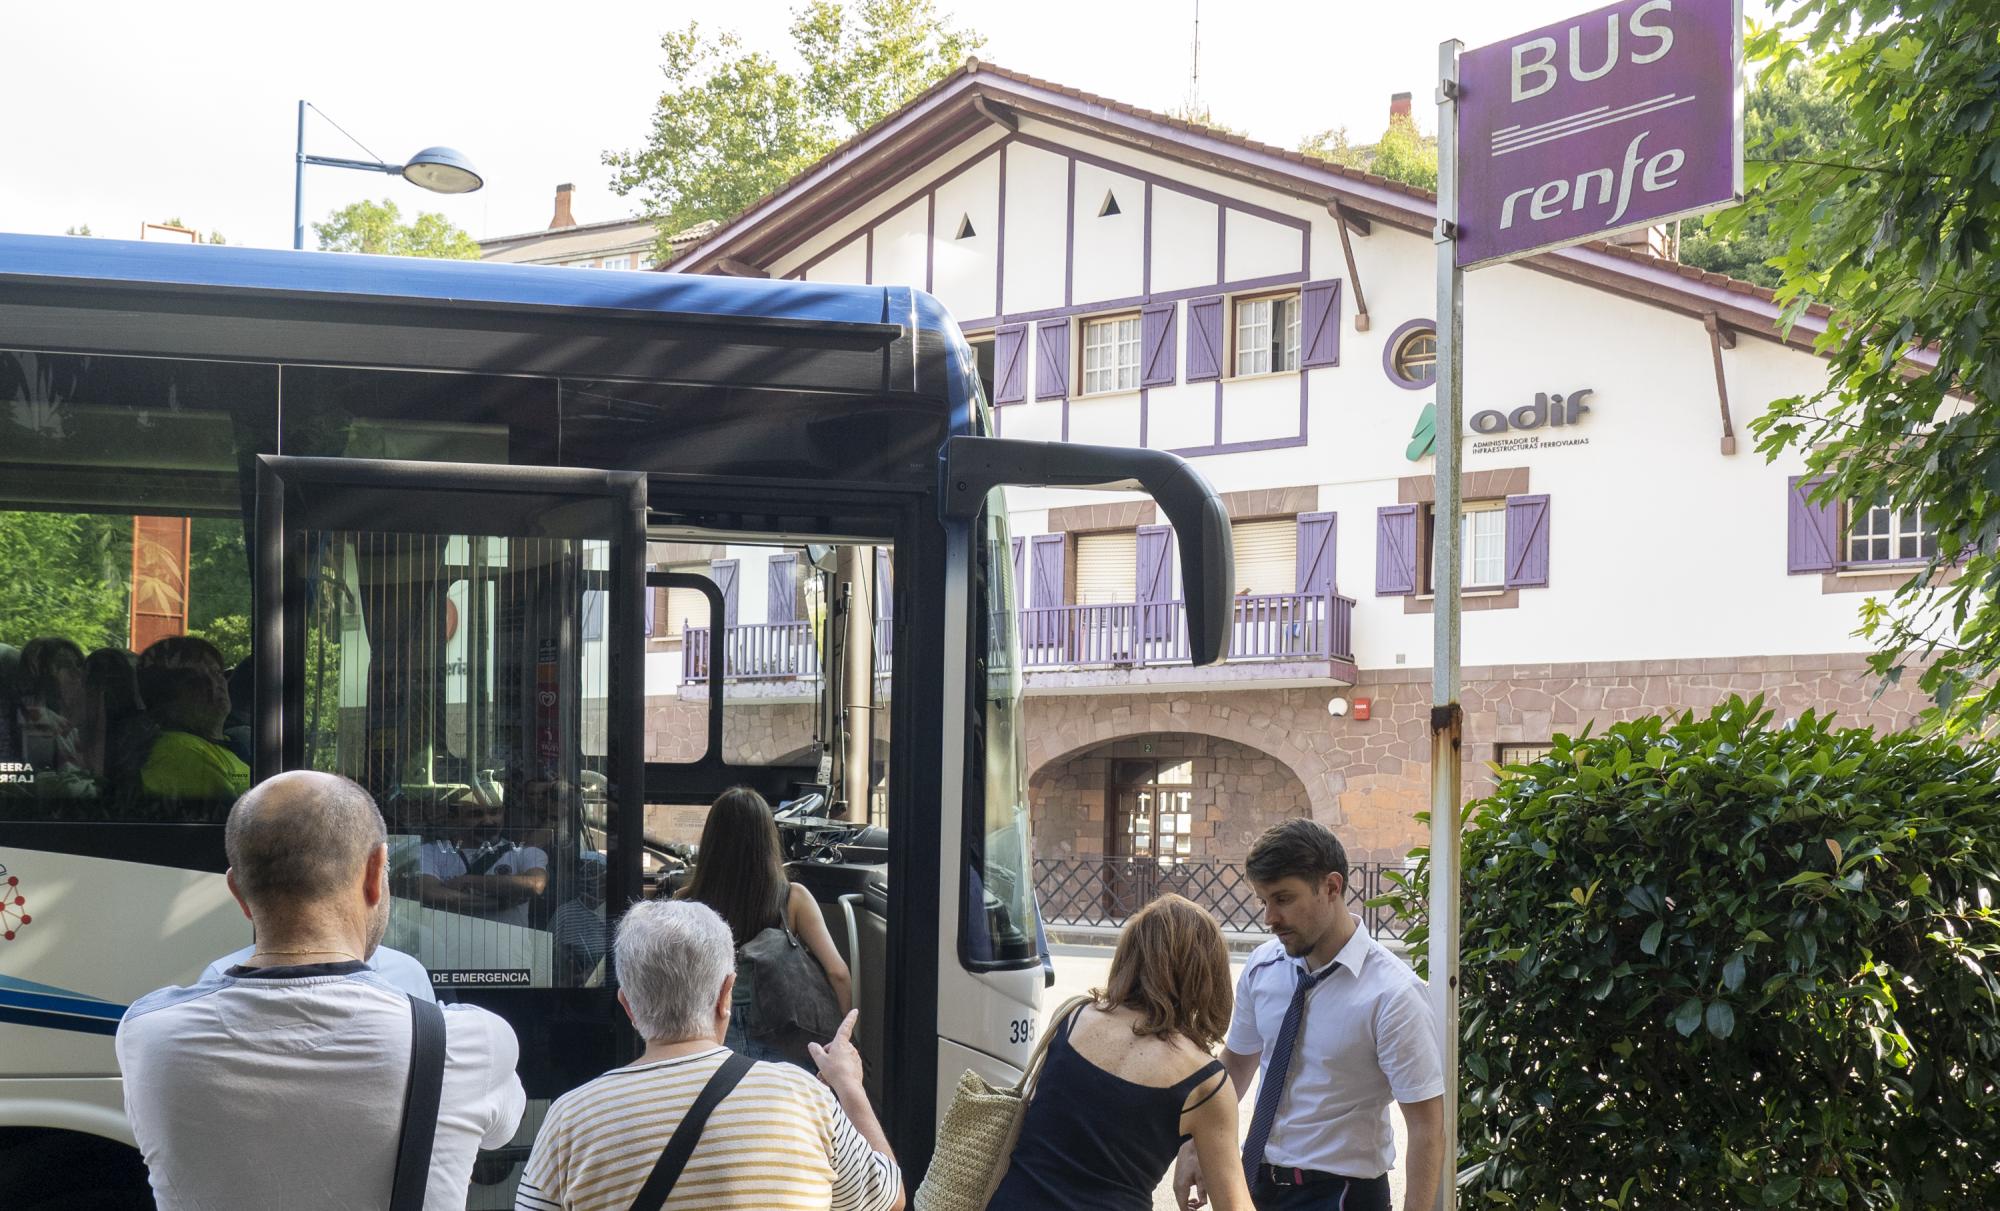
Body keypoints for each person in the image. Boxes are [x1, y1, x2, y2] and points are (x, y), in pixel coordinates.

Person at [115, 771, 526, 1208]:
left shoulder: (148, 1034)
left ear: (237, 891)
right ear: (374, 873)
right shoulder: (469, 1041)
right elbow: (500, 1134)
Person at [515, 898, 903, 1211]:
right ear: (725, 995)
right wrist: (849, 1086)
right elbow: (889, 1198)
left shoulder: (570, 1119)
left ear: (628, 1006)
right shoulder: (803, 1097)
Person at [1174, 820, 1444, 1211]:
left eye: (1283, 899)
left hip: (1341, 1195)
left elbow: (1426, 1127)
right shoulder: (1263, 966)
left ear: (1331, 888)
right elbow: (1236, 1063)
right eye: (1263, 900)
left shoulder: (1394, 994)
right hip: (1255, 1183)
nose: (1269, 917)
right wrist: (1194, 1143)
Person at [987, 893, 1253, 1211]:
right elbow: (1234, 1205)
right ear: (1207, 976)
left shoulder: (1073, 1017)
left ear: (1130, 954)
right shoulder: (1206, 1081)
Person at [678, 786, 852, 1059]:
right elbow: (838, 972)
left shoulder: (686, 901)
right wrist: (842, 1038)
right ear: (768, 840)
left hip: (709, 1025)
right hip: (781, 1027)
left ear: (712, 841)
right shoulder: (793, 898)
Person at [134, 635, 250, 802]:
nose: (213, 683)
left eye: (216, 672)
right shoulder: (180, 752)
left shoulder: (228, 743)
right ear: (164, 697)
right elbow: (236, 821)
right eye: (193, 680)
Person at [417, 793, 550, 926]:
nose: (487, 821)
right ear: (454, 818)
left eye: (494, 813)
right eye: (476, 814)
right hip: (444, 946)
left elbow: (535, 884)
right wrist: (500, 902)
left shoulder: (524, 853)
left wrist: (467, 881)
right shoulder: (430, 852)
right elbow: (430, 893)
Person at [17, 636, 85, 772]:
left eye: (79, 667)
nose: (79, 677)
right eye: (70, 669)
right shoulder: (38, 720)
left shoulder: (68, 725)